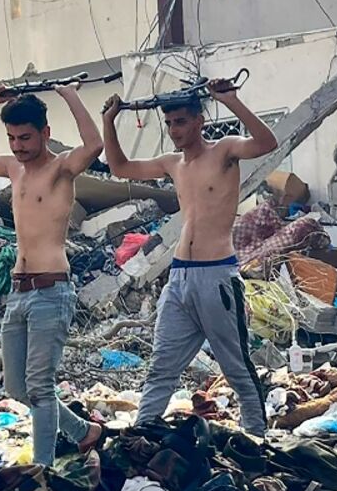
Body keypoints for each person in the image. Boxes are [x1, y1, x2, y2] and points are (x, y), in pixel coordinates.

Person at [101, 81, 278, 437]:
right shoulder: (172, 163)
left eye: (180, 122)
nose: (174, 131)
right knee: (161, 365)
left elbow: (266, 142)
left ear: (199, 121)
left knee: (237, 368)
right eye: (169, 124)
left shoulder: (225, 151)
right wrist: (109, 120)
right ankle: (143, 433)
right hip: (179, 277)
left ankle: (257, 440)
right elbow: (119, 167)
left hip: (217, 276)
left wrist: (231, 100)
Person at [0, 85, 105, 465]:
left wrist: (72, 94)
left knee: (40, 388)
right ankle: (83, 431)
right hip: (18, 291)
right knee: (17, 387)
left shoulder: (62, 169)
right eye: (11, 138)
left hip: (51, 291)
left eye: (25, 137)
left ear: (45, 132)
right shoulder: (13, 169)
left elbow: (94, 145)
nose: (17, 146)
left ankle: (43, 472)